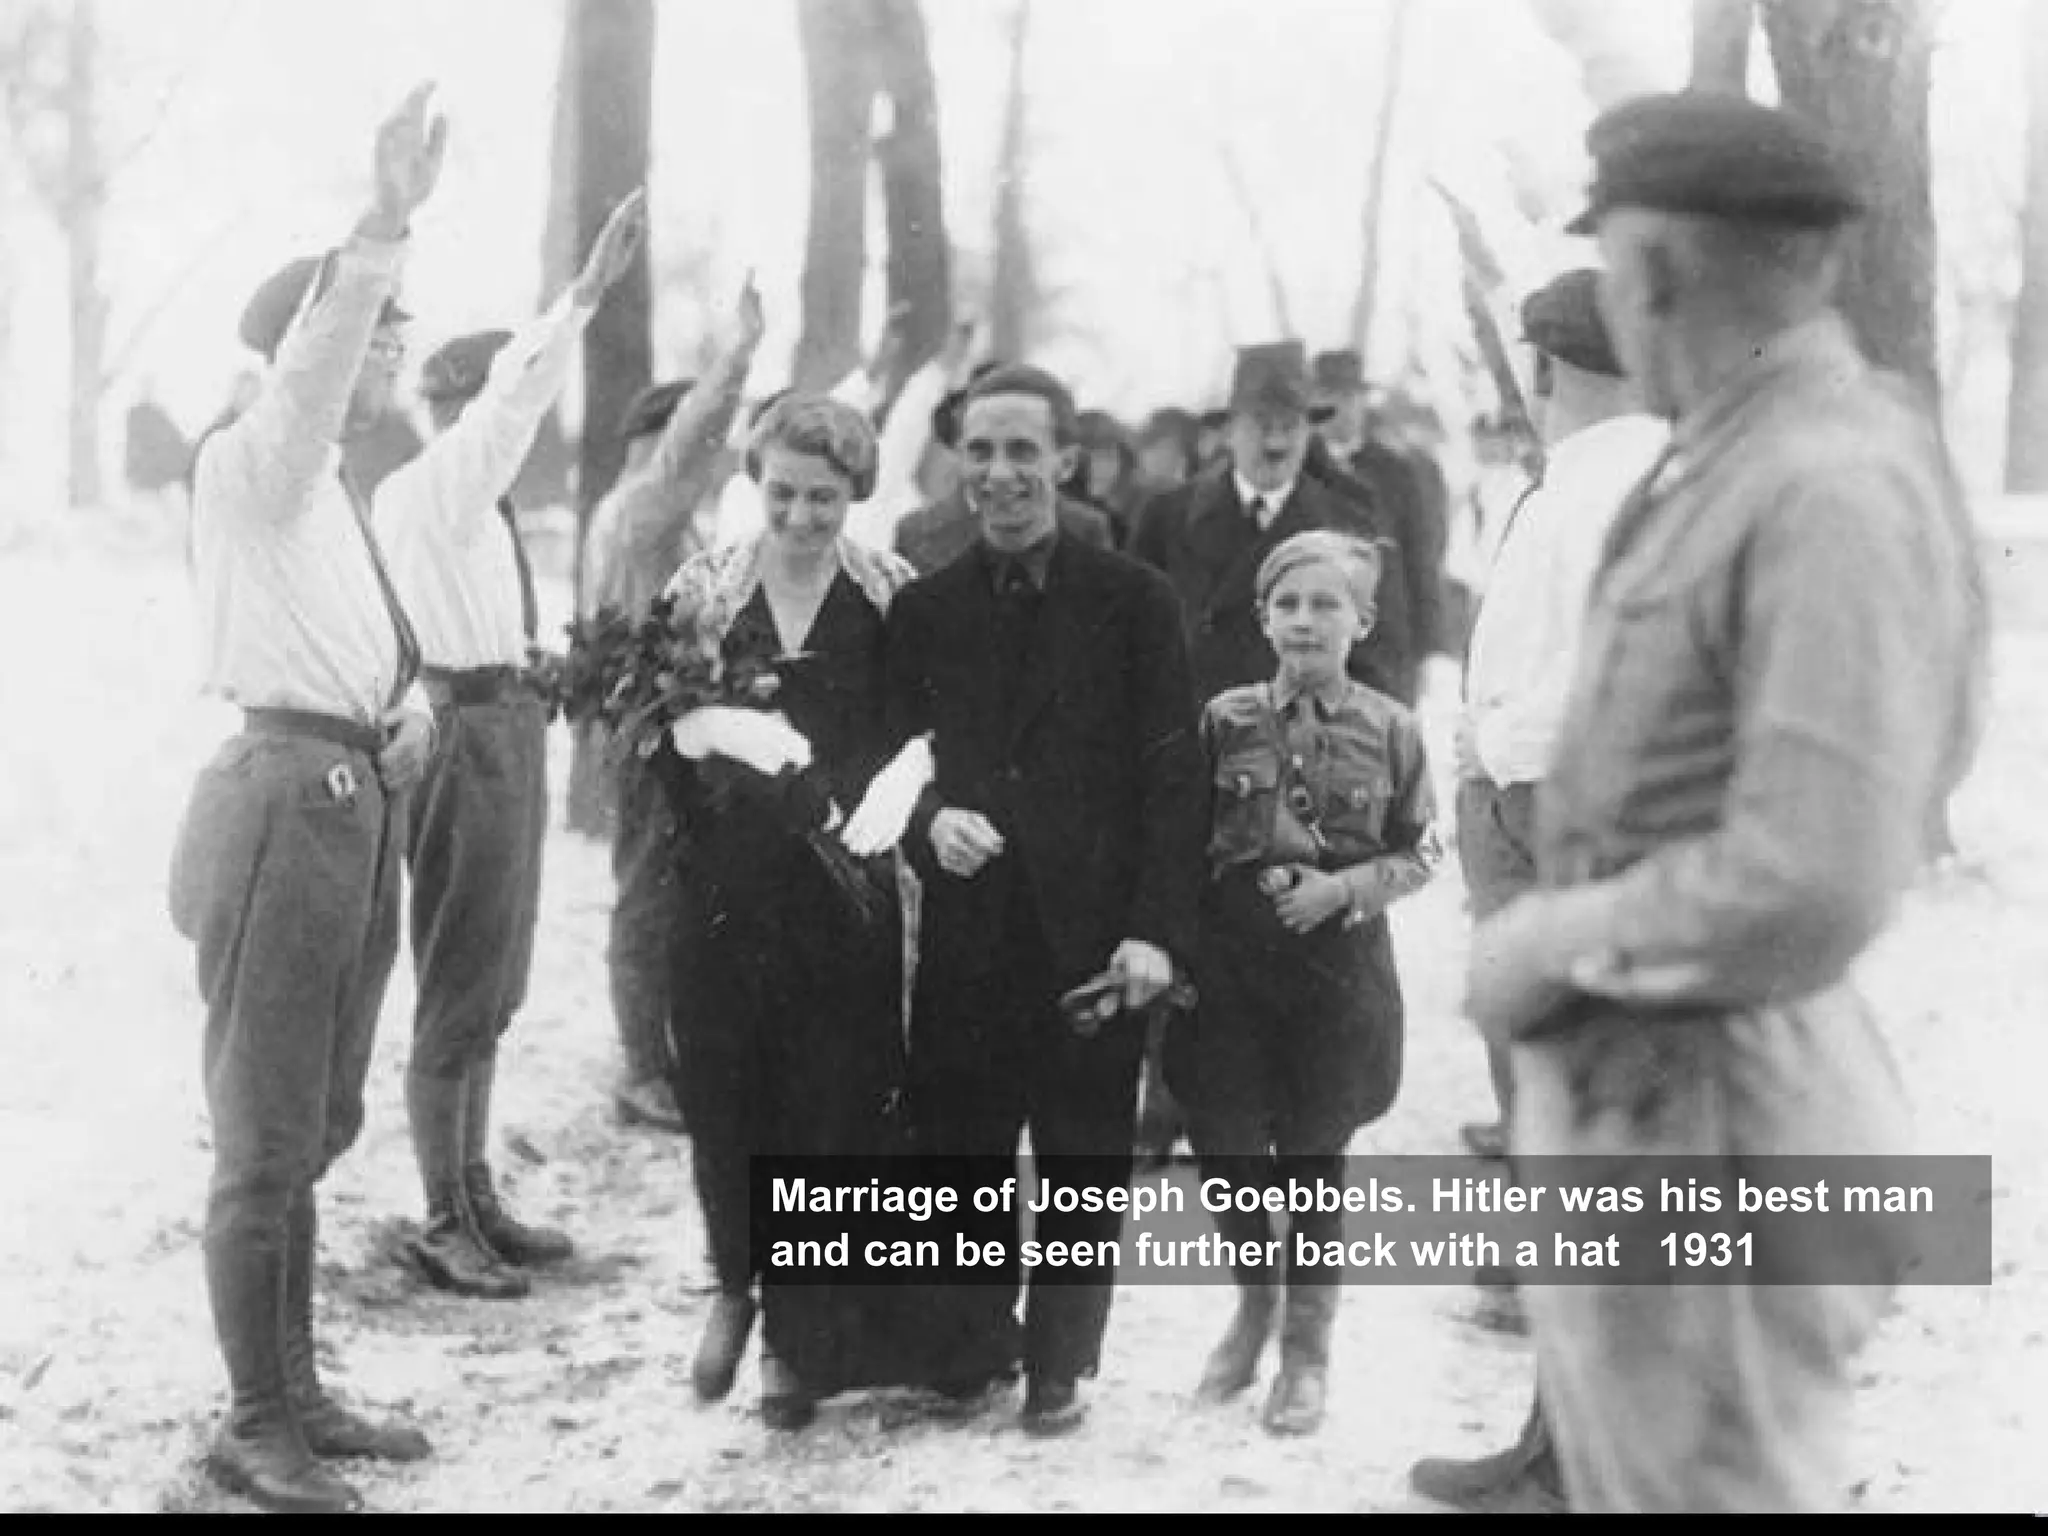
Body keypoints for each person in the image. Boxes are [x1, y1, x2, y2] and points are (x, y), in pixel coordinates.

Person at [1467, 92, 1985, 1512]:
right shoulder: (1750, 455)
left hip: (1724, 1123)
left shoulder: (1822, 480)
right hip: (1667, 1109)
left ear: (1650, 278)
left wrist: (1549, 943)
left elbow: (1816, 874)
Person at [166, 86, 445, 1514]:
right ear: (300, 363)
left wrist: (412, 715)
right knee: (263, 1133)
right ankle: (253, 1417)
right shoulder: (254, 460)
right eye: (368, 341)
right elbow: (319, 364)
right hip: (279, 809)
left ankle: (298, 1382)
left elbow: (378, 659)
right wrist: (381, 226)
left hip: (348, 803)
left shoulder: (324, 492)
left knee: (313, 1121)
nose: (385, 359)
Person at [880, 363, 1207, 1435]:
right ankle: (972, 1343)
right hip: (969, 933)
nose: (1000, 474)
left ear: (1066, 460)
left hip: (1092, 939)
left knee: (1079, 1152)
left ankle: (1060, 1361)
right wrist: (928, 817)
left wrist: (1155, 932)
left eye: (1023, 451)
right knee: (961, 1139)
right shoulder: (923, 609)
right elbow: (876, 763)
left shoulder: (1132, 602)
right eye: (979, 452)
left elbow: (1174, 778)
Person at [654, 395, 990, 1429]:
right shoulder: (705, 588)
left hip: (844, 885)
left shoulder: (890, 592)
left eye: (825, 497)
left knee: (829, 1106)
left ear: (857, 493)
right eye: (783, 493)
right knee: (722, 1093)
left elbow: (934, 723)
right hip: (723, 887)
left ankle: (795, 1347)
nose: (801, 516)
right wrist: (715, 746)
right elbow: (655, 734)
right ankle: (733, 1284)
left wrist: (892, 793)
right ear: (756, 484)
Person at [1407, 268, 1668, 1515]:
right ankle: (1566, 1445)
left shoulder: (1615, 484)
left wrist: (1496, 750)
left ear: (1548, 366)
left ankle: (1580, 1463)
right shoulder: (1602, 477)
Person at [373, 191, 647, 1299]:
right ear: (447, 407)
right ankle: (441, 1211)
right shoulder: (433, 488)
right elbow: (505, 410)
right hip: (459, 735)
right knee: (457, 977)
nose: (508, 436)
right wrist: (578, 301)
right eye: (479, 406)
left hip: (505, 721)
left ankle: (473, 1187)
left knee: (497, 975)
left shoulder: (477, 517)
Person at [1170, 530, 1438, 1437]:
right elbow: (1184, 837)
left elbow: (1422, 852)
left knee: (1316, 1157)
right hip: (1235, 962)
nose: (1305, 620)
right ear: (1262, 620)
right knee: (1228, 1144)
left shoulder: (1394, 730)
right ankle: (1255, 1302)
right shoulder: (1223, 720)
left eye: (1327, 605)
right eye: (1287, 604)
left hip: (1336, 965)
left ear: (1362, 621)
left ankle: (1307, 1353)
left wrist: (1343, 889)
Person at [582, 281, 767, 1133]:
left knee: (669, 889)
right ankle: (645, 1066)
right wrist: (734, 361)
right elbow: (689, 447)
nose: (706, 462)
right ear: (656, 445)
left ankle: (666, 1057)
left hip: (668, 726)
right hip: (651, 730)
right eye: (690, 444)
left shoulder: (653, 519)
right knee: (650, 892)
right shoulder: (643, 513)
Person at [1128, 341, 1408, 704]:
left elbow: (1380, 662)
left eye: (1290, 426)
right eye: (1261, 423)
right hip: (1196, 741)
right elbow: (1133, 644)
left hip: (1306, 744)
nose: (1275, 443)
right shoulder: (1167, 519)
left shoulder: (1350, 527)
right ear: (1229, 431)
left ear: (1310, 432)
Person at [1310, 349, 1445, 693]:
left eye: (1352, 397)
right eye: (1332, 397)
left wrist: (1429, 648)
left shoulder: (1396, 471)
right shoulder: (1298, 470)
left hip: (1386, 643)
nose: (1344, 408)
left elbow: (1420, 560)